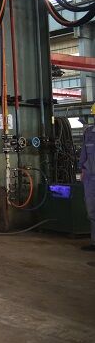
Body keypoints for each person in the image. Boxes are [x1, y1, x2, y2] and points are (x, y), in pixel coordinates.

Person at [79, 102, 95, 251]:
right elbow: (84, 154)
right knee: (91, 211)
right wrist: (82, 170)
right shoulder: (89, 133)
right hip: (90, 178)